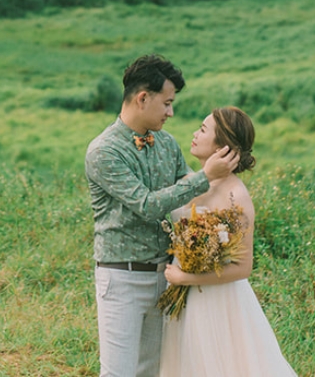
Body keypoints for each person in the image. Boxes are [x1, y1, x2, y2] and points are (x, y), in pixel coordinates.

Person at [85, 54, 240, 377]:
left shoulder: (167, 144)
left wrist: (233, 192)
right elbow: (147, 206)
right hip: (121, 278)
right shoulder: (104, 151)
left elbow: (191, 194)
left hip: (165, 277)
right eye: (167, 103)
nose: (171, 112)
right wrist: (205, 176)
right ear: (143, 98)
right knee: (118, 373)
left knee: (152, 372)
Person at [159, 106, 296, 377]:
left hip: (216, 300)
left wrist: (184, 277)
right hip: (182, 297)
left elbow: (243, 268)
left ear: (223, 146)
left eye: (203, 129)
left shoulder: (236, 196)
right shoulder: (191, 181)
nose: (195, 134)